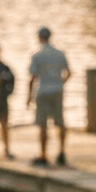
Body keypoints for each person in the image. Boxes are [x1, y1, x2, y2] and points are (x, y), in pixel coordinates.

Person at [27, 26, 71, 165]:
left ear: (40, 38)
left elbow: (33, 78)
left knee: (43, 124)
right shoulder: (60, 54)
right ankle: (62, 152)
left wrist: (29, 96)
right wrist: (61, 83)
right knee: (60, 122)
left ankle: (43, 154)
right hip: (57, 90)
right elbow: (69, 73)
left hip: (43, 91)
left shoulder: (37, 56)